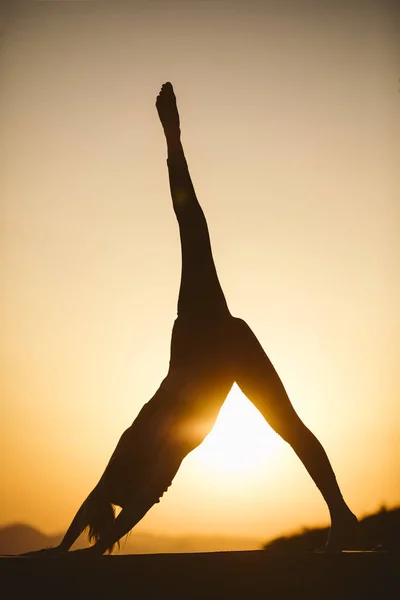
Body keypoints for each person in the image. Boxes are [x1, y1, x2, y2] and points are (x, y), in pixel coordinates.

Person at [22, 83, 357, 557]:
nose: (114, 501)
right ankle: (340, 514)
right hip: (217, 344)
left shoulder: (130, 462)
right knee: (289, 425)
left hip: (202, 342)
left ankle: (173, 138)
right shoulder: (151, 462)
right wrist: (81, 548)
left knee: (191, 224)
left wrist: (68, 550)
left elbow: (112, 499)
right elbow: (127, 502)